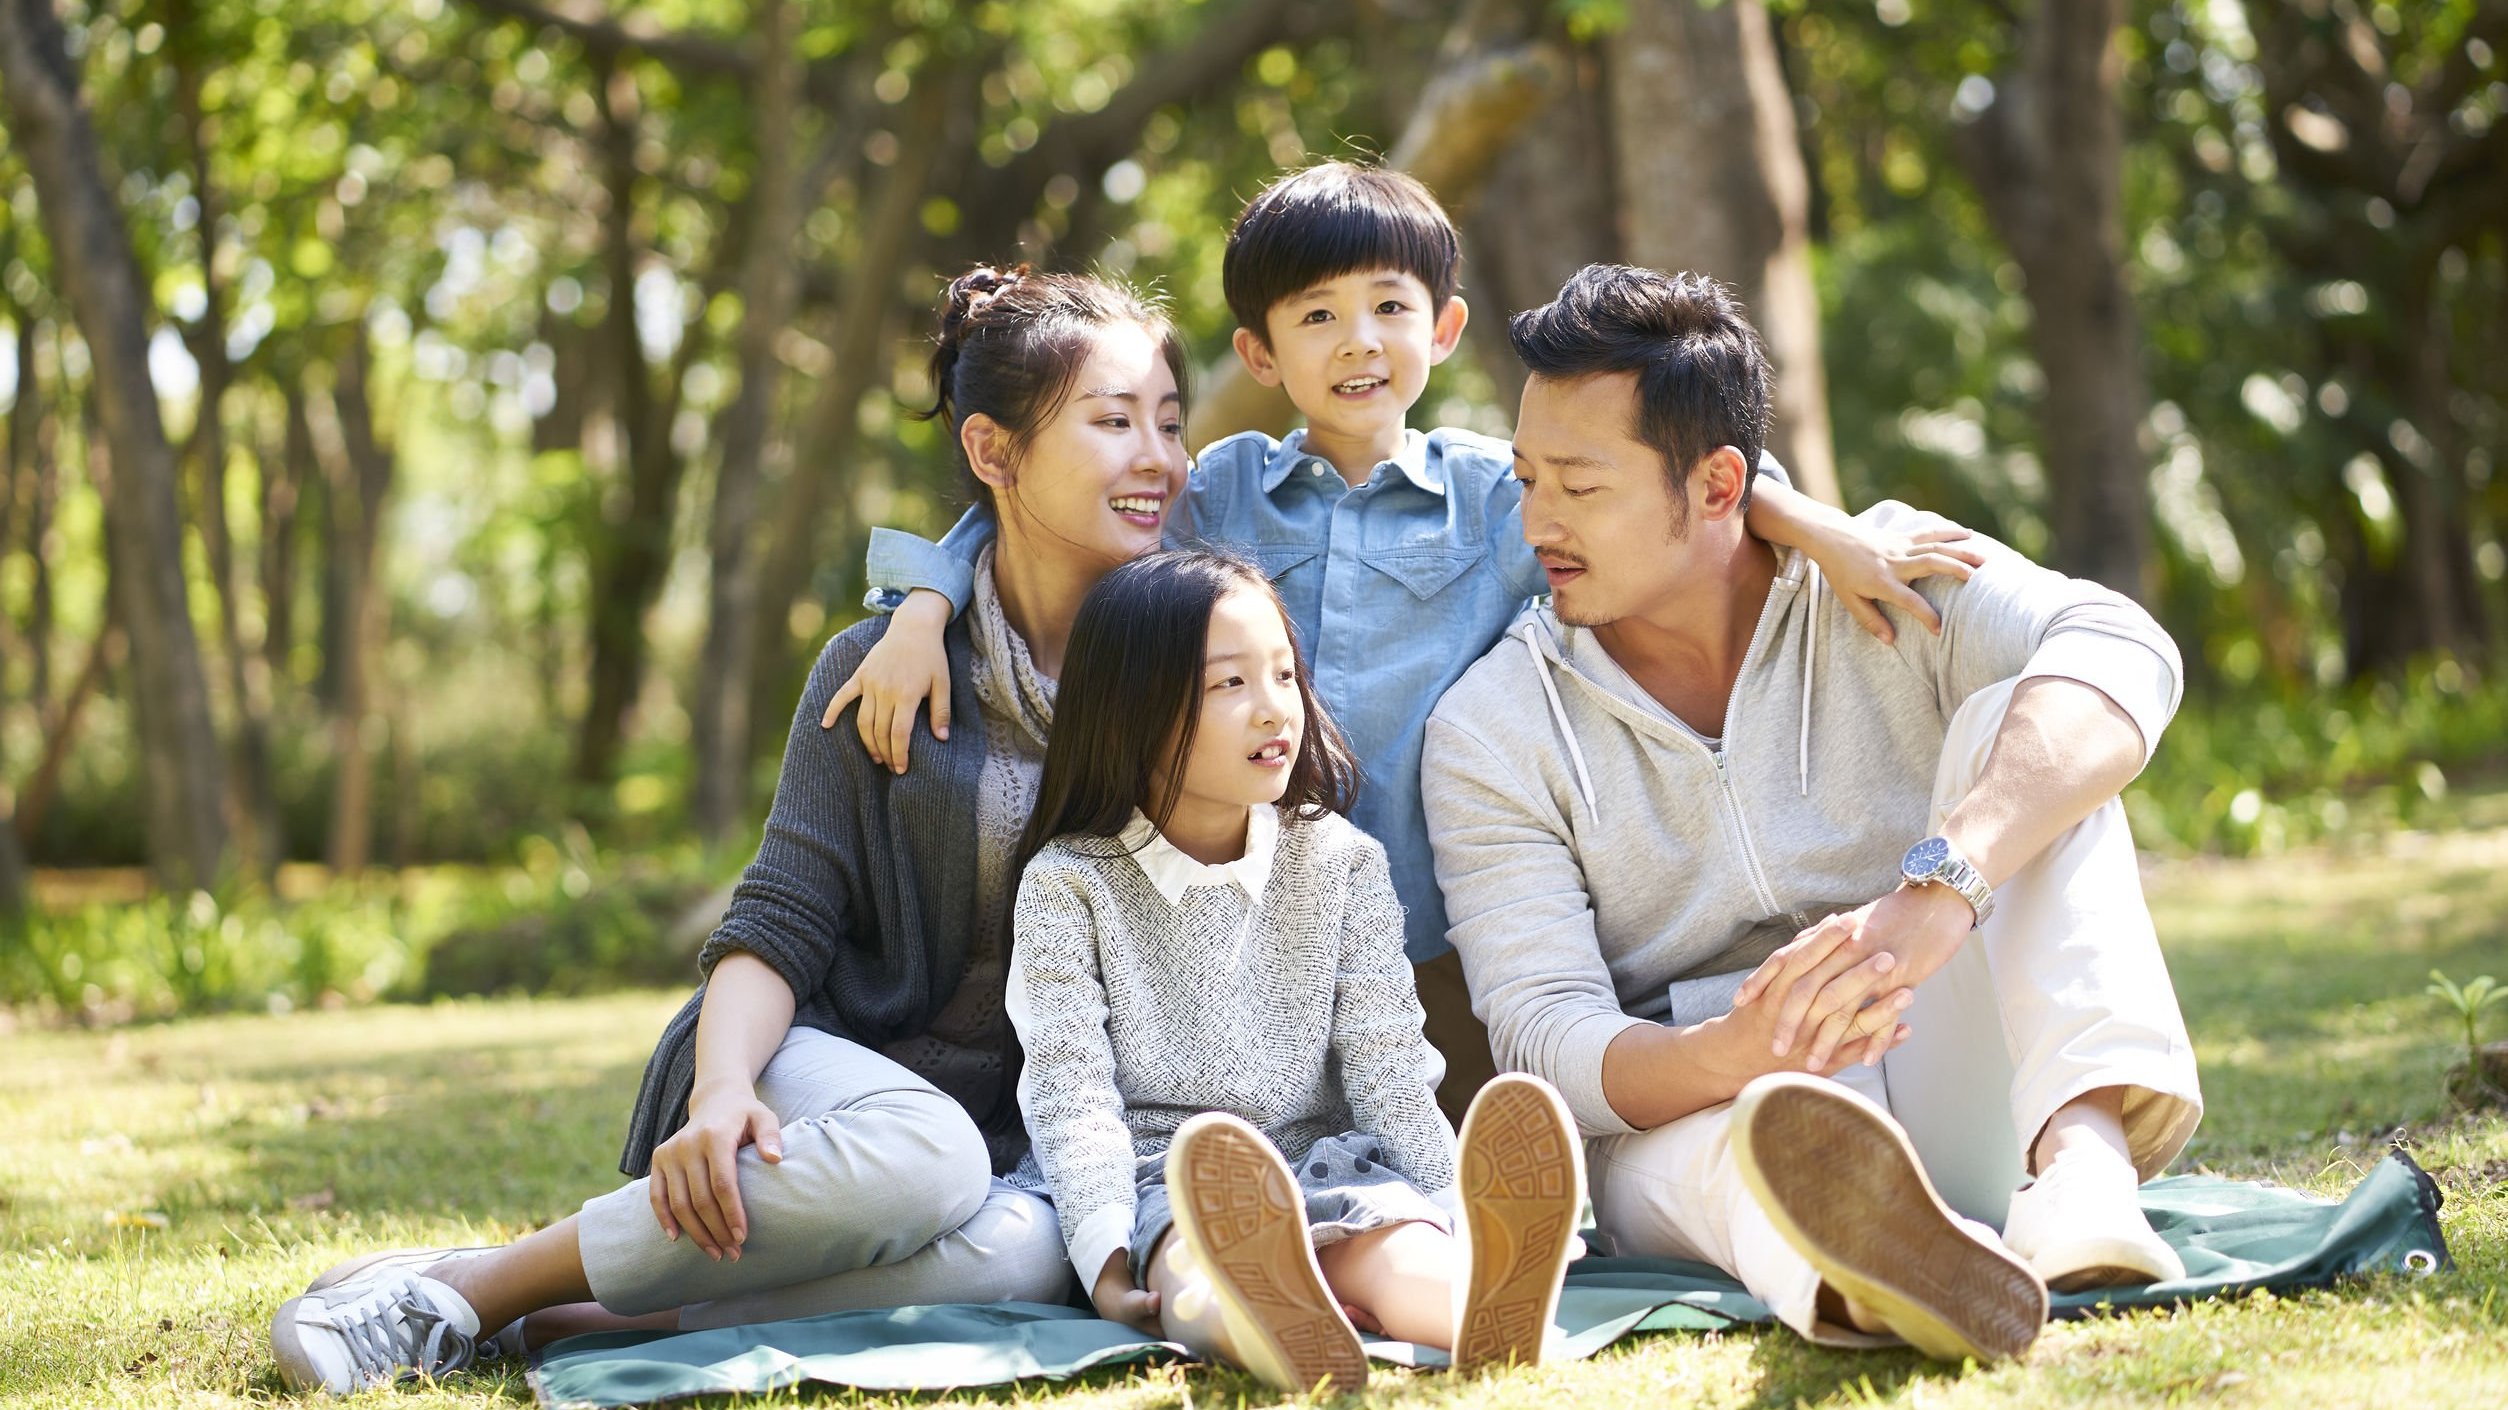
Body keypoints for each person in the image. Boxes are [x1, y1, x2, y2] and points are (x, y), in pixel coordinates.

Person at [835, 160, 1984, 1125]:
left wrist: (1818, 530)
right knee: (1263, 1133)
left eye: (1389, 307)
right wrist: (924, 604)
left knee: (1475, 1145)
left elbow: (1694, 484)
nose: (1360, 342)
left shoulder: (1500, 497)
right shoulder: (1219, 492)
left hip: (1441, 936)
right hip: (1253, 926)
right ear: (1263, 353)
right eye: (1318, 316)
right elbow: (1034, 508)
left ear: (1443, 328)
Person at [268, 265, 1196, 1395]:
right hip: (814, 1062)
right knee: (925, 1156)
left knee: (1027, 1257)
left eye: (1167, 420)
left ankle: (581, 1319)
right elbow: (780, 918)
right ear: (993, 453)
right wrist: (722, 1094)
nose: (1157, 457)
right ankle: (473, 1286)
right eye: (1112, 421)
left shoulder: (1175, 682)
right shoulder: (879, 671)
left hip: (1004, 1135)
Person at [1422, 264, 2205, 1363]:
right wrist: (1731, 1051)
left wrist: (1941, 890)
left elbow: (2126, 652)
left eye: (1580, 486)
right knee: (1717, 1157)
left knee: (2023, 739)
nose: (1537, 521)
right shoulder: (1494, 727)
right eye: (1524, 479)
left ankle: (2082, 1185)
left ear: (1716, 484)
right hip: (1703, 1116)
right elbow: (1546, 1036)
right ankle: (1862, 1271)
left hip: (1941, 1042)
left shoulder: (1886, 574)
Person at [1006, 547, 1584, 1395]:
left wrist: (1449, 1206)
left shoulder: (1341, 861)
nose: (1274, 708)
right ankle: (1276, 1321)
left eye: (1283, 673)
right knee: (1195, 1266)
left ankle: (1486, 1305)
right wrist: (1104, 1251)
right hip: (1168, 1176)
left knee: (1394, 1242)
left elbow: (1390, 1072)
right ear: (1130, 708)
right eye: (1229, 684)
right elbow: (1072, 1091)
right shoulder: (1069, 883)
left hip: (1327, 1161)